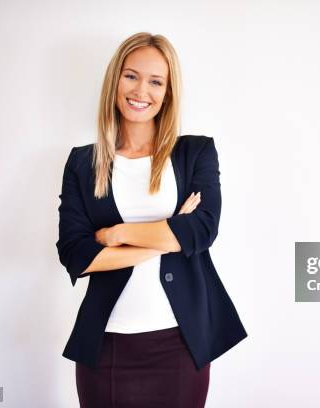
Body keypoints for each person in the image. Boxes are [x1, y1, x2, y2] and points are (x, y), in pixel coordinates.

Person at [55, 32, 248, 408]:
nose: (141, 90)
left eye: (156, 81)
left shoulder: (196, 152)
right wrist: (169, 231)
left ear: (168, 92)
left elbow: (202, 230)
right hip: (106, 343)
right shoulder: (82, 162)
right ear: (115, 81)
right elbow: (77, 255)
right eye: (131, 76)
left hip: (181, 342)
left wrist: (116, 235)